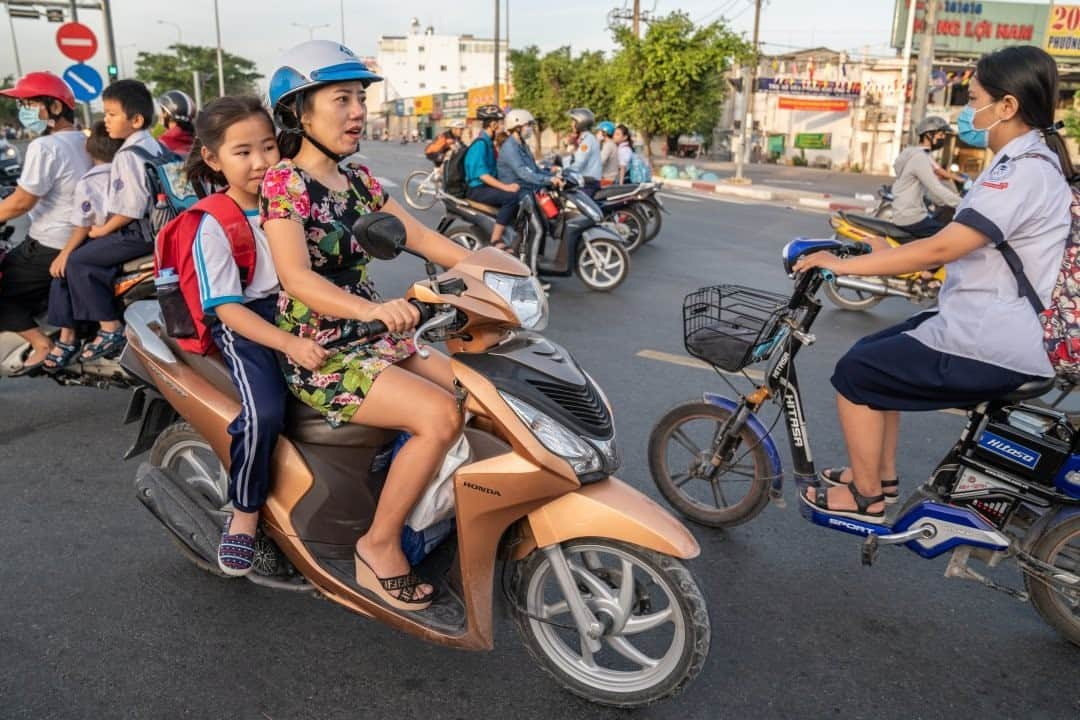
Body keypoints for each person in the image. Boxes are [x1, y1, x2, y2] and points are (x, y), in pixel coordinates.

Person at [794, 45, 1073, 523]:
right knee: (876, 348)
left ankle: (866, 500)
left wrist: (841, 267)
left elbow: (945, 247)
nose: (967, 111)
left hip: (993, 340)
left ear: (1006, 107)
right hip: (984, 321)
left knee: (855, 374)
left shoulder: (1023, 170)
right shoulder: (1023, 163)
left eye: (974, 98)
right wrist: (886, 256)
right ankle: (879, 477)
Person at [261, 40, 470, 610]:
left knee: (476, 389)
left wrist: (496, 270)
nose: (358, 111)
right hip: (324, 347)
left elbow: (420, 238)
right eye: (342, 99)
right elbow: (297, 277)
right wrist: (370, 310)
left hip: (379, 334)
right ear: (299, 112)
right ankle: (377, 547)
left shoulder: (359, 183)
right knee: (439, 413)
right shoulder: (284, 185)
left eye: (361, 98)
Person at [173, 95, 328, 575]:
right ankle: (244, 514)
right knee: (264, 412)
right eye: (244, 152)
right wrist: (289, 344)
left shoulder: (293, 199)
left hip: (303, 309)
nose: (261, 162)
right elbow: (228, 309)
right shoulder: (213, 223)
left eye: (268, 147)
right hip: (249, 321)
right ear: (214, 159)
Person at [65, 79, 162, 362]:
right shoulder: (151, 145)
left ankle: (110, 327)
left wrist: (101, 230)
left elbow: (130, 209)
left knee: (78, 261)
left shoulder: (127, 155)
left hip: (138, 232)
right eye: (105, 114)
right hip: (157, 227)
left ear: (136, 119)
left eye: (111, 114)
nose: (105, 120)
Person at [0, 72, 91, 373]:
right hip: (82, 236)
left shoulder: (46, 147)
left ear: (53, 107)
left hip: (51, 243)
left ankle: (42, 343)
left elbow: (22, 202)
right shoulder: (83, 140)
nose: (24, 110)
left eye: (29, 103)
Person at [41, 121, 124, 369]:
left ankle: (68, 338)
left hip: (104, 237)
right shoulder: (126, 170)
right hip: (127, 237)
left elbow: (83, 225)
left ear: (89, 151)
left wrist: (64, 253)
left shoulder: (89, 181)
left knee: (63, 272)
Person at [889, 115, 963, 241]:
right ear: (929, 134)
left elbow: (928, 188)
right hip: (911, 218)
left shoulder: (915, 154)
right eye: (941, 134)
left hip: (904, 213)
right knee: (948, 239)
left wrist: (942, 203)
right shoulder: (919, 158)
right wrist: (963, 204)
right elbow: (935, 187)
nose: (943, 138)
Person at [464, 104, 519, 251]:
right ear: (493, 124)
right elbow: (483, 176)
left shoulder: (489, 144)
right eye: (500, 123)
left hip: (484, 187)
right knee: (510, 197)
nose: (502, 127)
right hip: (477, 189)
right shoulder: (480, 145)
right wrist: (506, 187)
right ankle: (495, 239)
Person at [498, 108, 559, 194]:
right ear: (518, 128)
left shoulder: (523, 145)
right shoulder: (510, 148)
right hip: (516, 190)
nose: (530, 128)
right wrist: (549, 179)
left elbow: (534, 169)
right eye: (528, 125)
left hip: (527, 185)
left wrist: (553, 176)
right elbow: (524, 172)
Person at [564, 108, 602, 195]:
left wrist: (560, 168)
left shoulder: (587, 140)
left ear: (581, 123)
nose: (571, 124)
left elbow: (578, 163)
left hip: (588, 184)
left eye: (573, 121)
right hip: (584, 181)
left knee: (569, 203)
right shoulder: (583, 139)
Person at [157, 89, 196, 156]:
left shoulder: (162, 144)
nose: (160, 115)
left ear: (167, 113)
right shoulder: (200, 142)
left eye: (161, 111)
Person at [597, 120, 618, 184]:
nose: (597, 133)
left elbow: (600, 162)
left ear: (605, 133)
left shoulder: (608, 146)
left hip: (608, 179)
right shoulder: (609, 144)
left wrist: (597, 141)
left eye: (599, 131)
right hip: (609, 178)